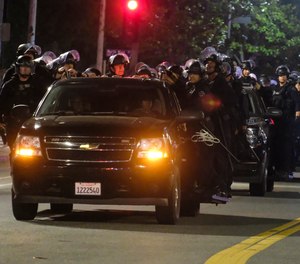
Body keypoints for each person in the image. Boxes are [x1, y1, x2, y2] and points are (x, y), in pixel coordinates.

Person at [0, 55, 46, 148]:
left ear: (31, 69)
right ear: (18, 68)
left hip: (32, 123)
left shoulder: (38, 85)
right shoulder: (9, 86)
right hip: (13, 124)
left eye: (27, 67)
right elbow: (1, 103)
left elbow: (45, 103)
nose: (25, 69)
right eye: (22, 67)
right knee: (14, 150)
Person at [270, 65, 298, 180]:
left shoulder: (291, 89)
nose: (282, 78)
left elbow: (297, 104)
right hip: (275, 122)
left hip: (287, 122)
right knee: (274, 147)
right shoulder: (275, 89)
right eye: (280, 75)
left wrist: (296, 116)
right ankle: (275, 170)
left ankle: (285, 170)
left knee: (285, 147)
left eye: (284, 75)